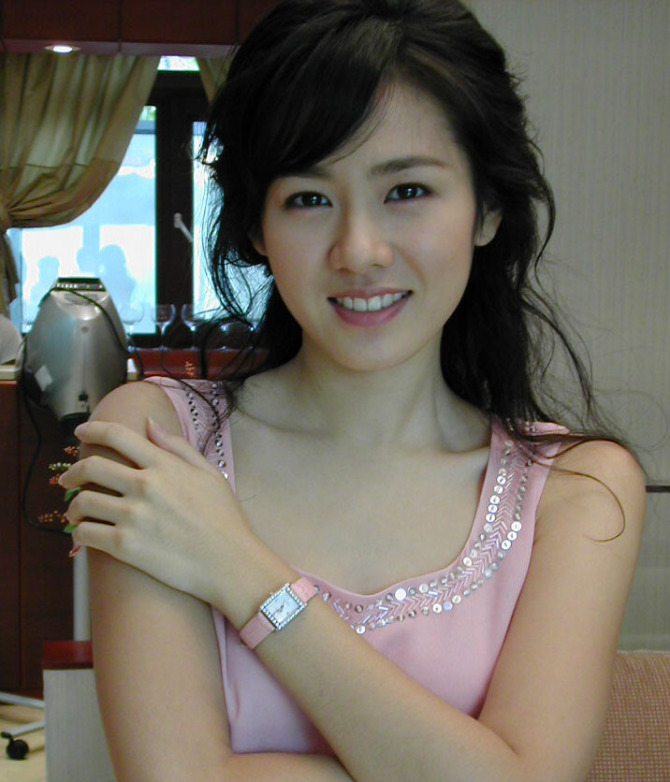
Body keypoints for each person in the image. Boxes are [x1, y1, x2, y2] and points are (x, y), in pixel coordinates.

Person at [60, 1, 646, 780]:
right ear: (257, 228)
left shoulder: (580, 490)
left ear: (487, 208)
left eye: (407, 191)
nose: (359, 250)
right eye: (309, 198)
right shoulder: (157, 442)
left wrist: (239, 567)